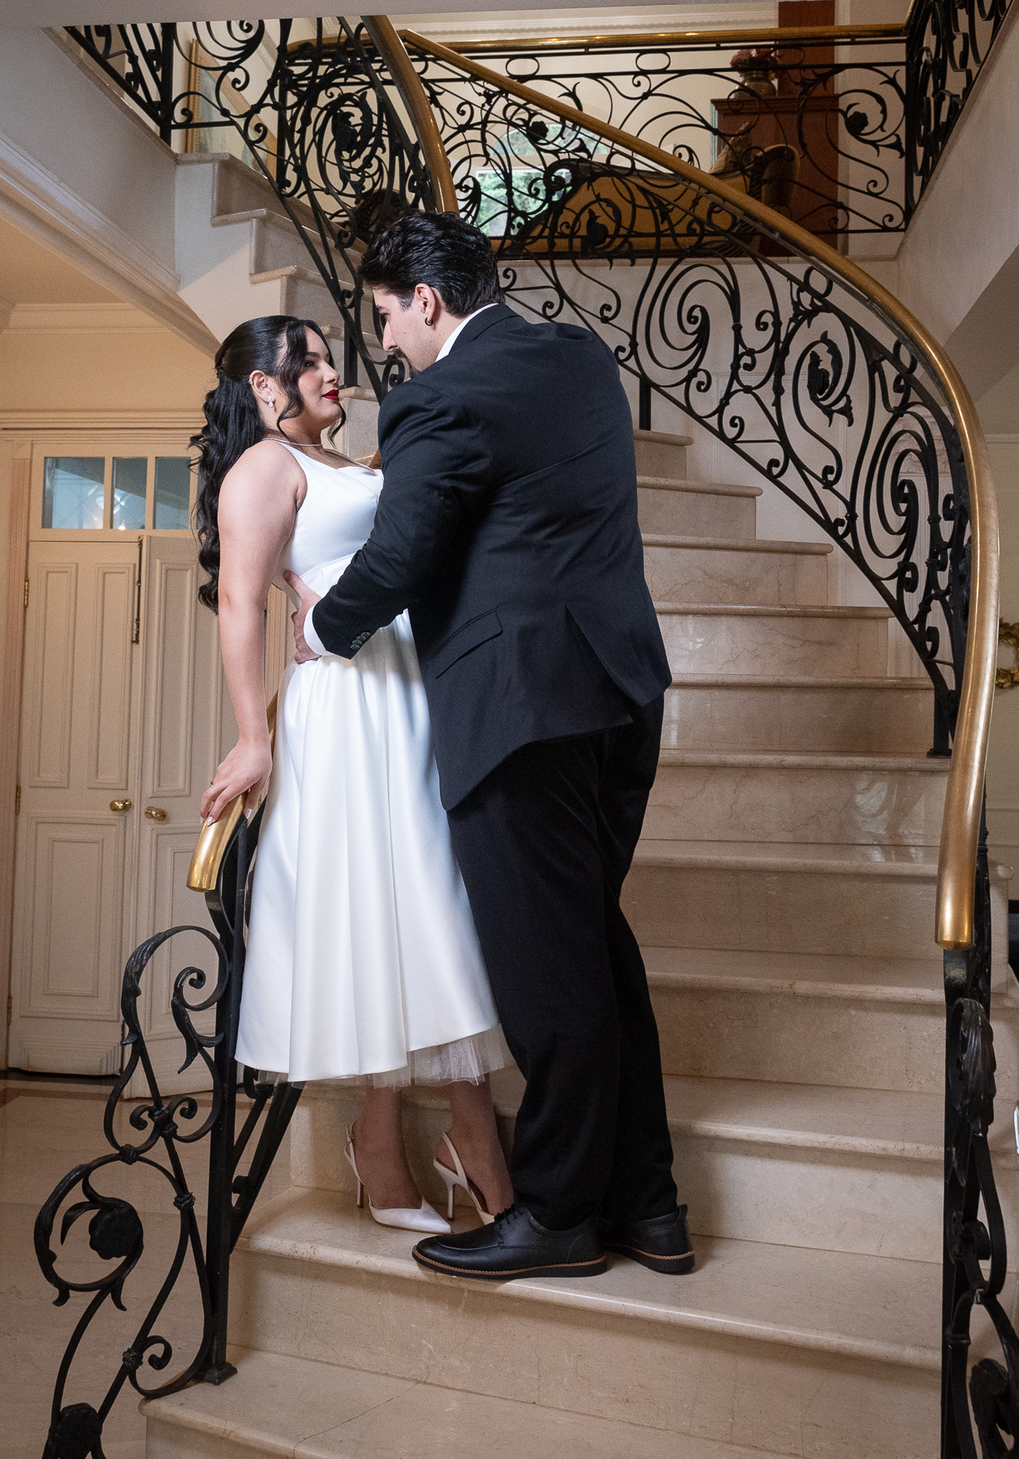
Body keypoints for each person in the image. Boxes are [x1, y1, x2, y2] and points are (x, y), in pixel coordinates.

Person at [286, 213, 693, 1282]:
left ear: (427, 300)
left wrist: (323, 628)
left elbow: (402, 554)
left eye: (386, 316)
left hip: (520, 710)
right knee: (592, 948)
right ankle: (648, 1203)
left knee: (548, 973)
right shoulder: (580, 358)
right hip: (619, 692)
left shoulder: (439, 398)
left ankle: (557, 1212)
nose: (387, 342)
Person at [194, 314, 514, 1235]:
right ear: (264, 387)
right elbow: (241, 604)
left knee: (429, 900)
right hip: (350, 705)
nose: (333, 371)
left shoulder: (345, 461)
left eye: (331, 356)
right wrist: (252, 738)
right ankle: (452, 1139)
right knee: (396, 897)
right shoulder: (264, 468)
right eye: (309, 362)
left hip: (413, 689)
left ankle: (409, 1136)